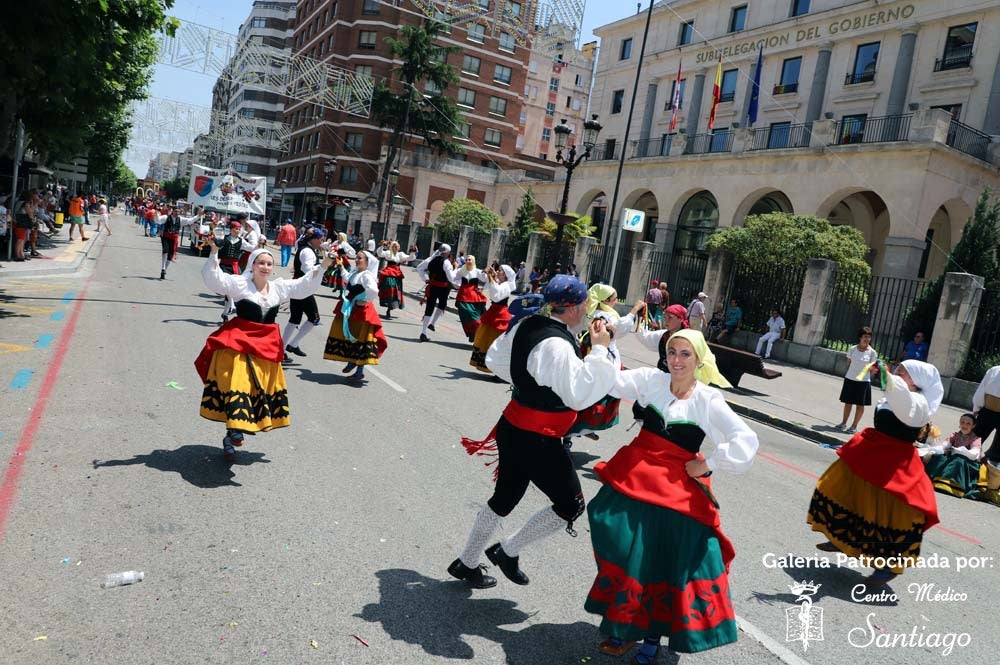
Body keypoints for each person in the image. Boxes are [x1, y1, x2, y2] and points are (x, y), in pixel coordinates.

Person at [586, 330, 757, 661]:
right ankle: (629, 624)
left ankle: (645, 637)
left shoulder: (708, 399)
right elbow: (610, 382)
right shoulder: (652, 380)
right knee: (621, 543)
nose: (676, 360)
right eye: (672, 352)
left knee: (661, 561)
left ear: (698, 360)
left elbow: (744, 439)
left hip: (675, 490)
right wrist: (599, 349)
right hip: (636, 477)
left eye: (685, 354)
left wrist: (708, 463)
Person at [450, 275, 619, 589]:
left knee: (505, 497)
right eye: (584, 305)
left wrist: (529, 384)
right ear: (577, 306)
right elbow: (578, 394)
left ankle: (467, 561)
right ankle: (507, 551)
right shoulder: (556, 345)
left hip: (514, 425)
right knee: (570, 505)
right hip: (538, 436)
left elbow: (496, 360)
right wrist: (599, 351)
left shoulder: (527, 325)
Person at [808, 360, 943, 584]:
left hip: (895, 462)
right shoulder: (895, 395)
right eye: (898, 370)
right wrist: (887, 377)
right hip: (873, 452)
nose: (898, 373)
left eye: (903, 372)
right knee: (842, 489)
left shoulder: (918, 403)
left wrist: (887, 376)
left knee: (889, 515)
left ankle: (887, 567)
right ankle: (841, 537)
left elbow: (901, 397)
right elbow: (895, 393)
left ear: (917, 381)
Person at [195, 244, 332, 461]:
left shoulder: (278, 288)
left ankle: (230, 436)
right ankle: (235, 431)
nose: (265, 267)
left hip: (265, 346)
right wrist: (214, 253)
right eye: (261, 263)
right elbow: (215, 279)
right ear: (253, 265)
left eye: (269, 264)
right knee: (238, 386)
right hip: (239, 344)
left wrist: (324, 264)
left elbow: (304, 285)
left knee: (257, 390)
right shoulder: (239, 285)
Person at [565, 284, 644, 443]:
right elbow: (620, 330)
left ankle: (580, 429)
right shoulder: (606, 317)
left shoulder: (595, 313)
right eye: (614, 299)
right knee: (599, 395)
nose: (616, 302)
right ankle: (577, 430)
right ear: (606, 301)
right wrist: (634, 311)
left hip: (594, 355)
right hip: (603, 358)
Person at [323, 249, 387, 382]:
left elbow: (374, 290)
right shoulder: (355, 272)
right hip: (351, 307)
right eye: (356, 258)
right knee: (348, 334)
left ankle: (359, 371)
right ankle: (352, 361)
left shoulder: (366, 275)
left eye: (360, 258)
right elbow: (348, 278)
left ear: (367, 262)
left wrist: (365, 300)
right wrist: (341, 267)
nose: (357, 260)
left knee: (361, 338)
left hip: (362, 310)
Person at [282, 228, 327, 359]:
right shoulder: (308, 251)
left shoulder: (306, 248)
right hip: (303, 289)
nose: (322, 241)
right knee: (314, 318)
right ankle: (292, 344)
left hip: (299, 288)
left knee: (295, 318)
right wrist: (322, 267)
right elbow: (307, 269)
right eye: (321, 239)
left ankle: (284, 348)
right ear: (314, 239)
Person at [922, 413, 982, 497]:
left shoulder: (975, 439)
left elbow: (974, 454)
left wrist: (958, 450)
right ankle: (933, 480)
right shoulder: (955, 435)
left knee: (958, 460)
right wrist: (933, 449)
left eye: (968, 423)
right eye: (962, 422)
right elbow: (945, 445)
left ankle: (954, 485)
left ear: (973, 426)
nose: (964, 425)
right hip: (954, 458)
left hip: (968, 464)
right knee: (940, 457)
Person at [470, 264, 516, 373]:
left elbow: (496, 296)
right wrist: (487, 273)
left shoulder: (507, 285)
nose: (498, 272)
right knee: (485, 338)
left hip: (501, 314)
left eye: (500, 271)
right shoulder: (499, 282)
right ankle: (488, 364)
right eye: (498, 270)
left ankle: (498, 369)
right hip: (493, 312)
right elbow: (484, 279)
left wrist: (491, 278)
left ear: (506, 275)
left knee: (496, 341)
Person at [835, 327, 878, 434]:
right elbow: (849, 363)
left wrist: (870, 370)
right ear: (860, 337)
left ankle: (854, 426)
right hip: (850, 379)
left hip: (863, 382)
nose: (867, 339)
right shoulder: (853, 349)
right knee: (848, 402)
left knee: (860, 405)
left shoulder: (872, 353)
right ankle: (843, 423)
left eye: (869, 337)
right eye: (865, 337)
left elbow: (873, 370)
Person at [416, 243, 458, 342]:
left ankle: (423, 332)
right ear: (448, 253)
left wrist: (426, 279)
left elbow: (419, 268)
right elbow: (451, 278)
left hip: (432, 287)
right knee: (442, 304)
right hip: (443, 288)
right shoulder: (446, 262)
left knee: (429, 307)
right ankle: (433, 323)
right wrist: (456, 268)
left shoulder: (431, 259)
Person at [376, 241, 416, 319]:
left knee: (396, 291)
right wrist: (381, 246)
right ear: (392, 247)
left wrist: (412, 252)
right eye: (395, 246)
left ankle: (390, 308)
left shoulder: (400, 255)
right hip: (389, 272)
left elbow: (410, 258)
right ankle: (387, 302)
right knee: (390, 288)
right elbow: (380, 253)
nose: (396, 248)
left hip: (397, 274)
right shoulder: (388, 253)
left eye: (398, 246)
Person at [157, 208, 199, 279]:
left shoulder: (180, 219)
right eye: (176, 211)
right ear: (172, 211)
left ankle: (164, 271)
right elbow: (158, 220)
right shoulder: (166, 217)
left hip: (174, 238)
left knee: (170, 255)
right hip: (166, 237)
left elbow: (190, 221)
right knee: (165, 251)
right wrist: (156, 215)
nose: (177, 213)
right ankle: (163, 268)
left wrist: (198, 216)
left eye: (178, 212)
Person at [455, 256, 488, 342]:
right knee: (465, 315)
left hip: (474, 297)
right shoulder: (462, 270)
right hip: (463, 296)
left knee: (475, 318)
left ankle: (475, 333)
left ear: (473, 261)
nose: (468, 261)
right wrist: (455, 267)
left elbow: (485, 279)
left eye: (469, 260)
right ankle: (471, 333)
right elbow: (454, 278)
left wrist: (485, 273)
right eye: (466, 260)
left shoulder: (477, 271)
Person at [973, 364, 1000, 464]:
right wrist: (977, 406)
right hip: (987, 411)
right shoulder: (995, 370)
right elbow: (982, 388)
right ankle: (967, 459)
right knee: (975, 438)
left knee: (997, 450)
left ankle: (992, 464)